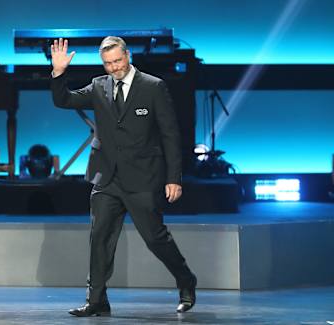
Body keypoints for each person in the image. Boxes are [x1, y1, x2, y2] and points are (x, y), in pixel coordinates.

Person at [50, 36, 197, 317]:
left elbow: (170, 134)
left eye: (118, 61)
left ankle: (186, 281)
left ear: (128, 55)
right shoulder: (98, 86)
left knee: (155, 238)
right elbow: (64, 100)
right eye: (108, 63)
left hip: (142, 177)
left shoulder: (153, 87)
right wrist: (58, 73)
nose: (114, 68)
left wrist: (173, 177)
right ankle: (96, 300)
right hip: (106, 178)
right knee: (100, 238)